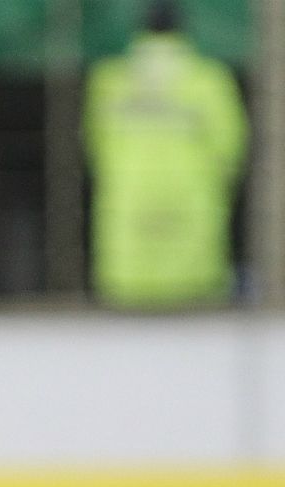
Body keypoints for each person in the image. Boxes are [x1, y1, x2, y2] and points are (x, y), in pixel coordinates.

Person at [84, 0, 247, 308]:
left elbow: (96, 141)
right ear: (184, 29)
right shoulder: (208, 78)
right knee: (191, 264)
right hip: (192, 187)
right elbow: (230, 142)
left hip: (128, 188)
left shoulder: (111, 79)